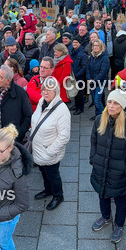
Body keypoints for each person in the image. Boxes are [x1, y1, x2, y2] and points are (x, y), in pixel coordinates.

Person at [90, 89, 126, 243]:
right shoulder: (99, 120)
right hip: (100, 167)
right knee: (102, 193)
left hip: (119, 172)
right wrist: (93, 159)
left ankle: (119, 224)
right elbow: (93, 141)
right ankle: (105, 217)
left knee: (120, 200)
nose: (111, 106)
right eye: (109, 101)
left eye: (116, 103)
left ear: (122, 106)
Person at [30, 78, 71, 210]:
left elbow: (64, 136)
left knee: (53, 175)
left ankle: (58, 196)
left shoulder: (62, 110)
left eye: (49, 90)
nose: (45, 92)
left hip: (49, 152)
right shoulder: (42, 102)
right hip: (39, 150)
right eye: (43, 89)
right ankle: (48, 190)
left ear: (56, 91)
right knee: (43, 172)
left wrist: (50, 152)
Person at [0, 65, 33, 143]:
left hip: (13, 139)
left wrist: (19, 134)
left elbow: (28, 116)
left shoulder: (20, 93)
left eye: (1, 77)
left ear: (8, 80)